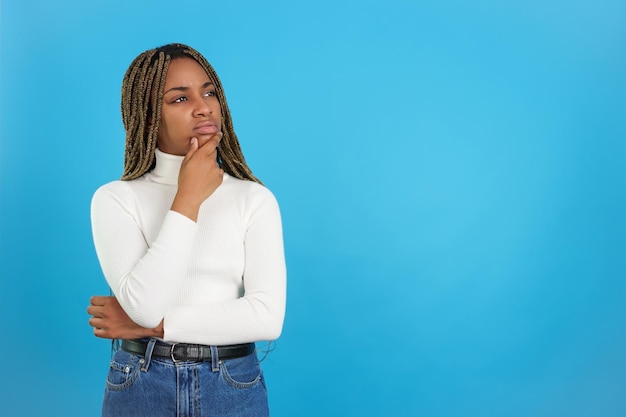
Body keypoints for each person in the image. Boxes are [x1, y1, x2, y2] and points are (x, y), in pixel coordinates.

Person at [86, 43, 286, 417]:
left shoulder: (253, 199)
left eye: (209, 92)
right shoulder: (115, 199)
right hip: (142, 381)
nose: (203, 106)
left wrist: (154, 326)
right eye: (179, 98)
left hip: (231, 382)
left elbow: (266, 317)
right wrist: (188, 198)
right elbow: (144, 305)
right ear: (148, 114)